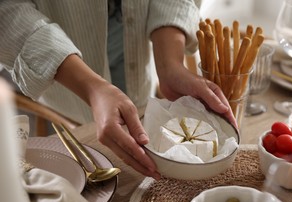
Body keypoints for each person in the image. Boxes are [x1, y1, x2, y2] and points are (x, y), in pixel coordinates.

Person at [0, 0, 236, 180]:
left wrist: (170, 64)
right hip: (61, 55)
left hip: (134, 34)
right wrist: (92, 88)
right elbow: (8, 9)